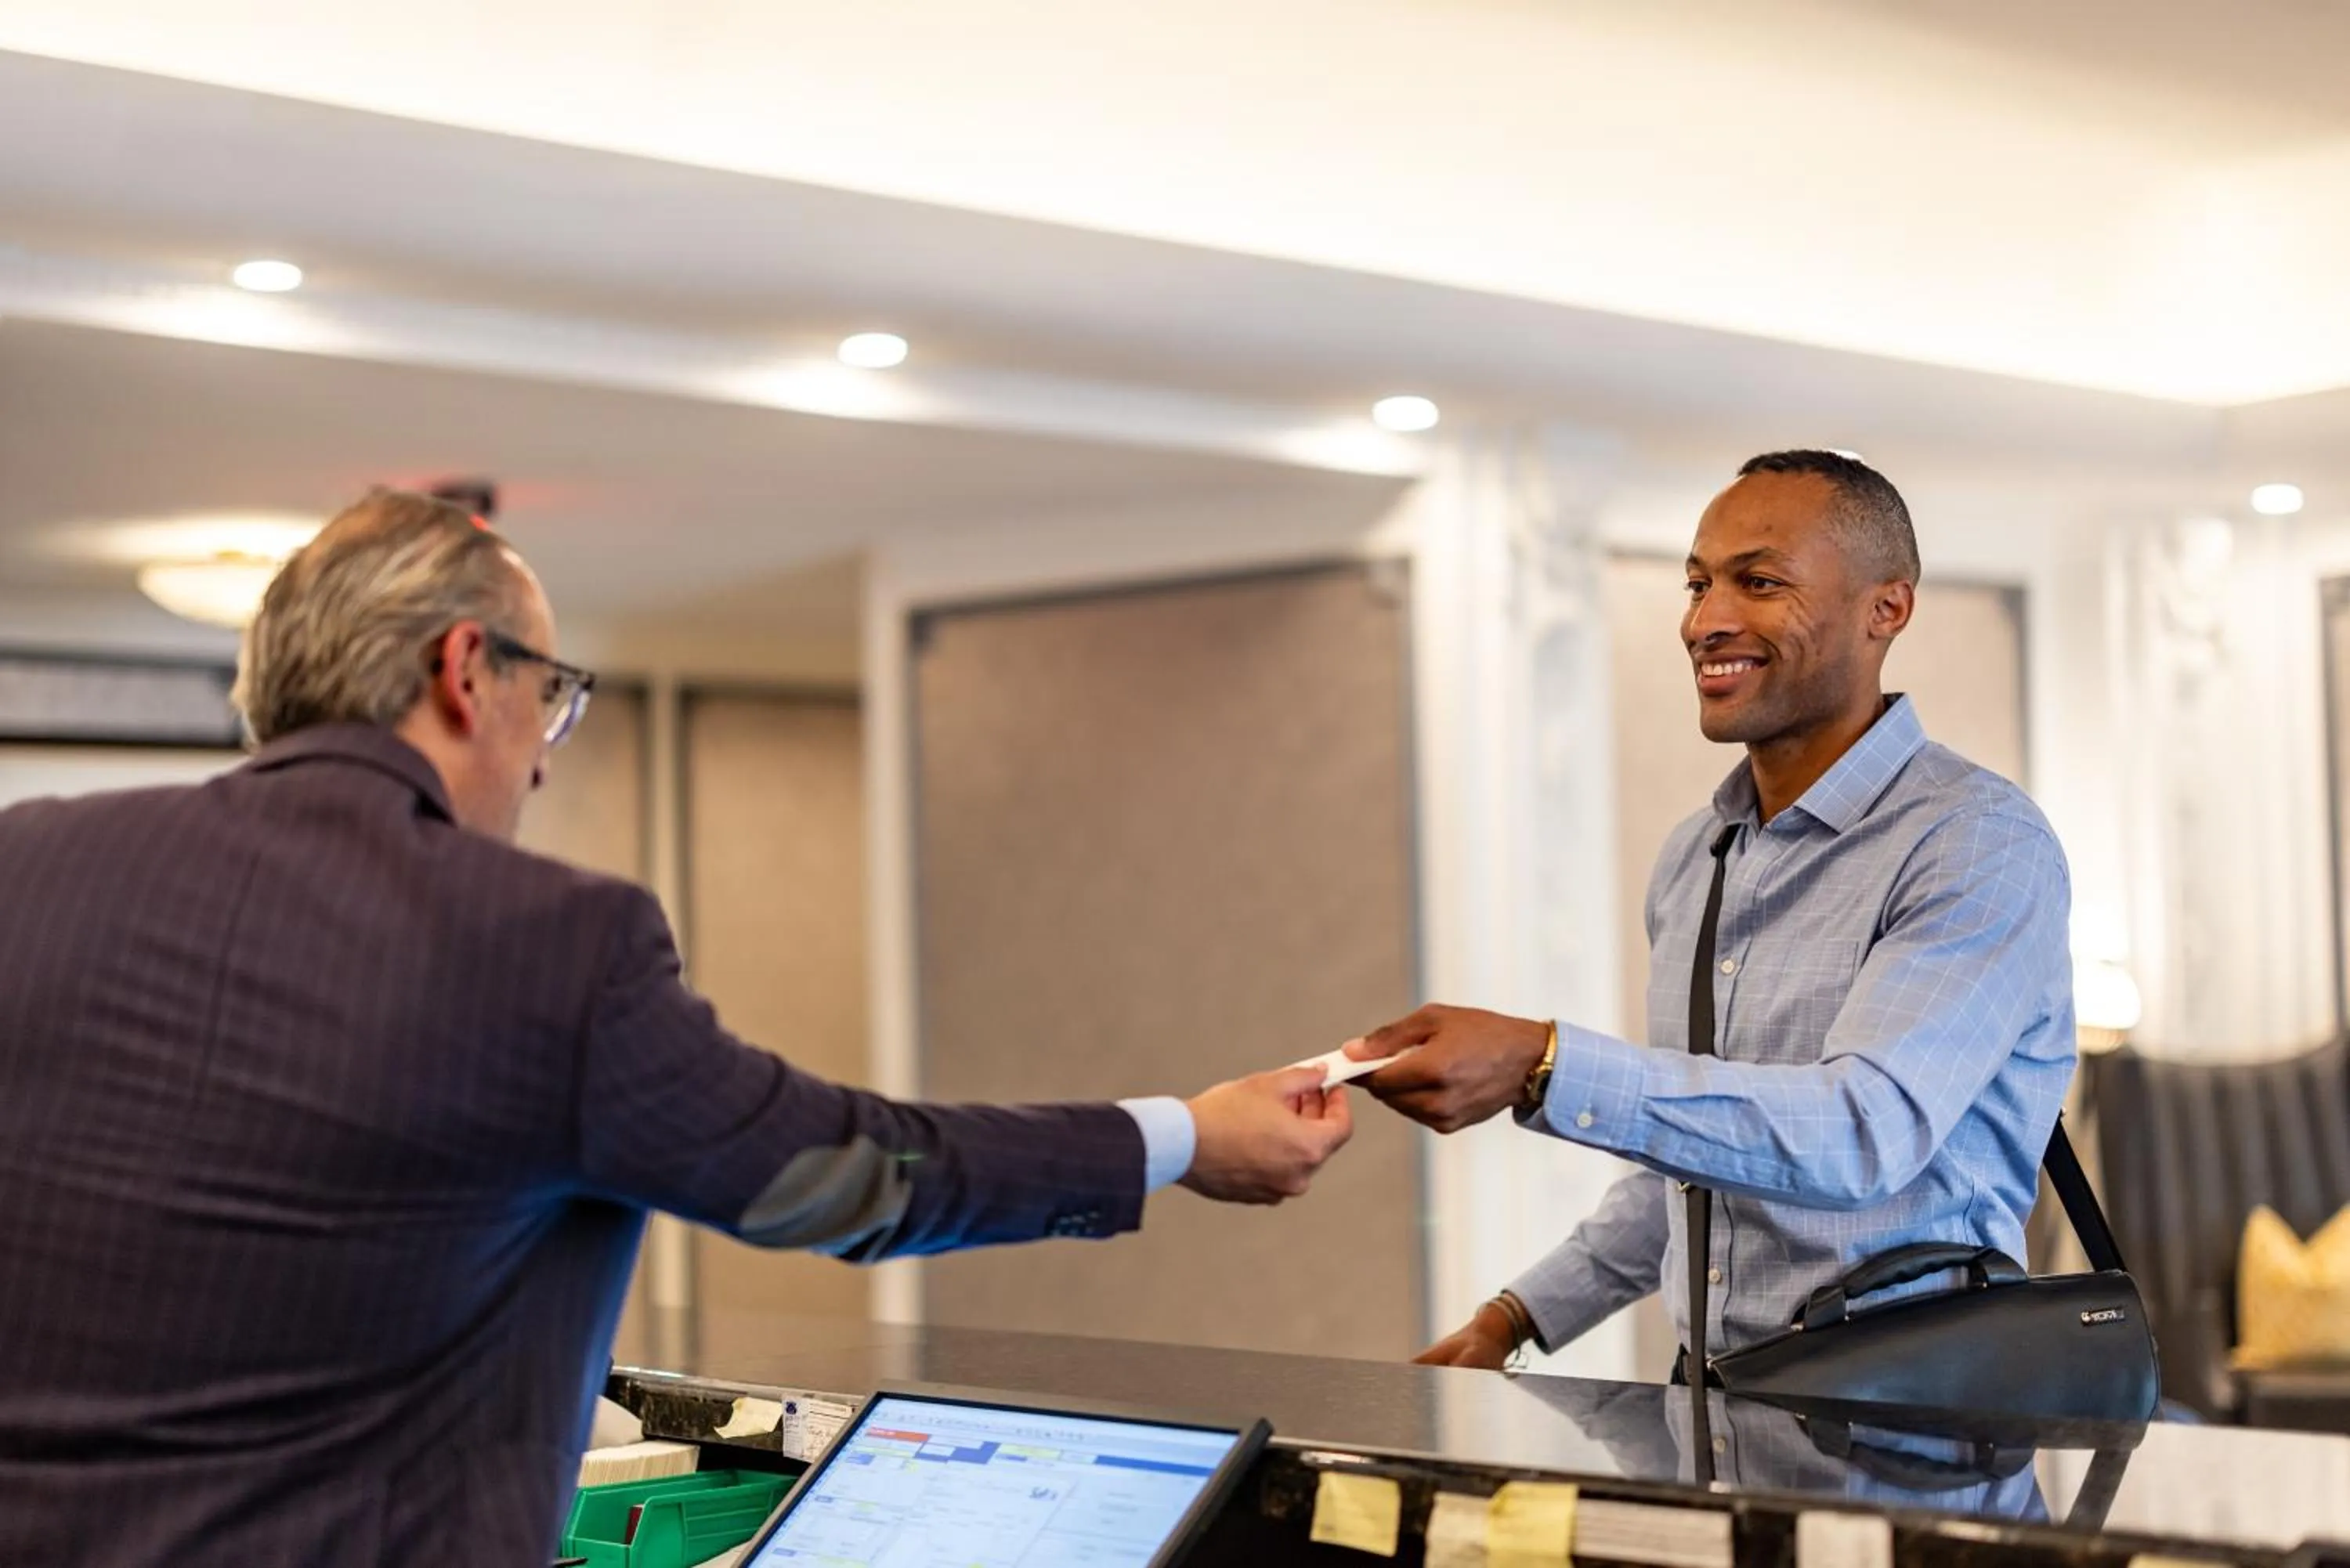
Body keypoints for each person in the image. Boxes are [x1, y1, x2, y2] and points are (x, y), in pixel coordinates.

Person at [0, 490, 1353, 1566]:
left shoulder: (28, 862)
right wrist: (1184, 1137)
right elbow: (847, 1175)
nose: (543, 760)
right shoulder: (541, 937)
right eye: (551, 696)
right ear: (465, 668)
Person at [1347, 450, 2073, 1376]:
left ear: (1886, 609)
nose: (1705, 621)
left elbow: (1863, 1136)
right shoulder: (1699, 857)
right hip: (1714, 1416)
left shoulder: (1977, 843)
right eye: (1698, 585)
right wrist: (1515, 1317)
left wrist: (1544, 1061)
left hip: (1915, 1422)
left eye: (1759, 582)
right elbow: (1702, 1159)